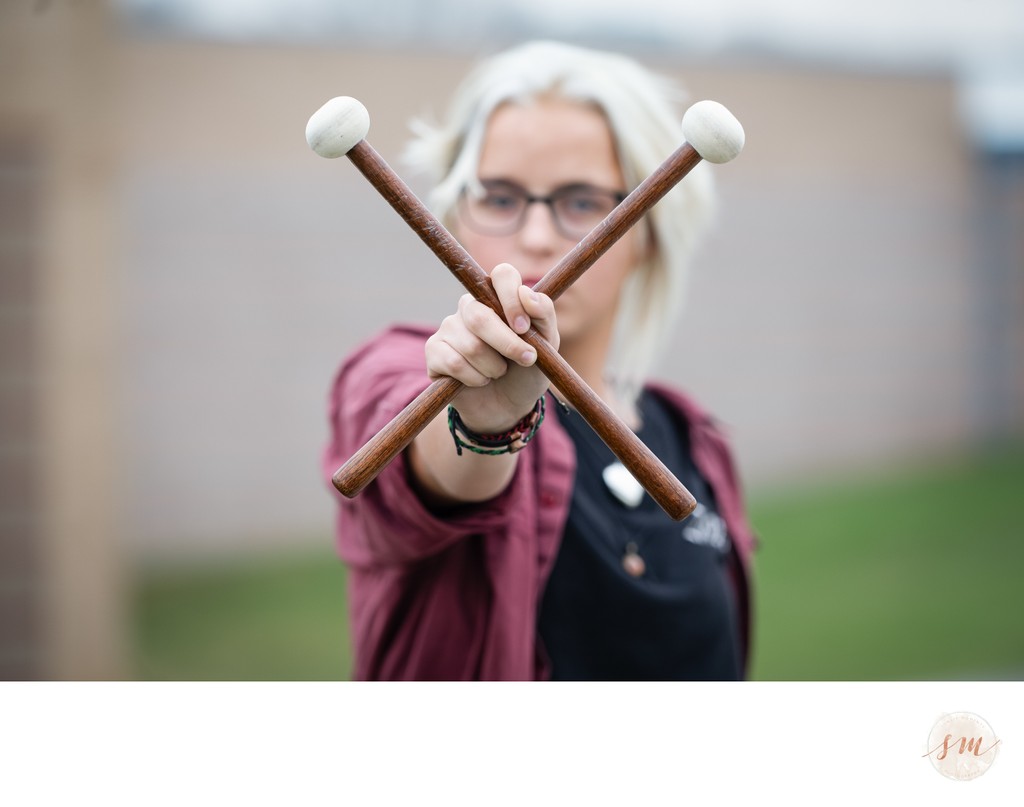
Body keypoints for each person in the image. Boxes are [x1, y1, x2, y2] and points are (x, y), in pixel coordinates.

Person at [323, 40, 757, 681]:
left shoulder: (694, 439)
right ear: (454, 217)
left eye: (581, 202)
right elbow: (427, 468)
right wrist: (484, 422)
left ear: (647, 231)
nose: (534, 237)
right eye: (499, 198)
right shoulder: (400, 371)